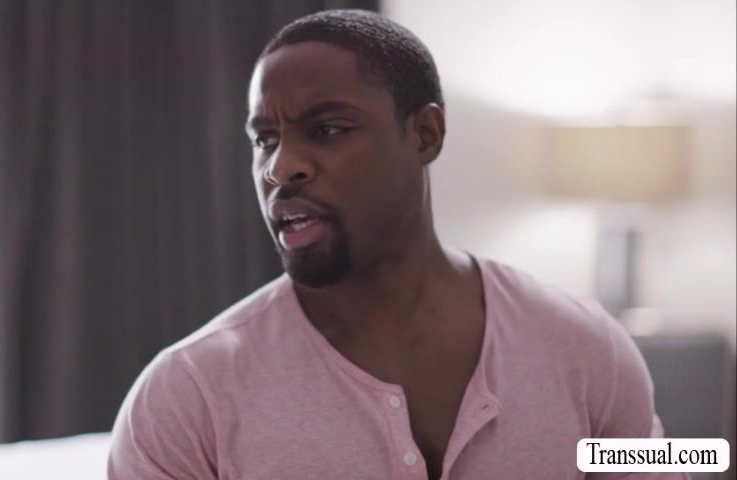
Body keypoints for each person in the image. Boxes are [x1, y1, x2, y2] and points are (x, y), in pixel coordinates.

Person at [108, 10, 685, 479]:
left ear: (426, 134)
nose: (281, 168)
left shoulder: (586, 349)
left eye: (327, 129)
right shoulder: (186, 397)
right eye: (265, 139)